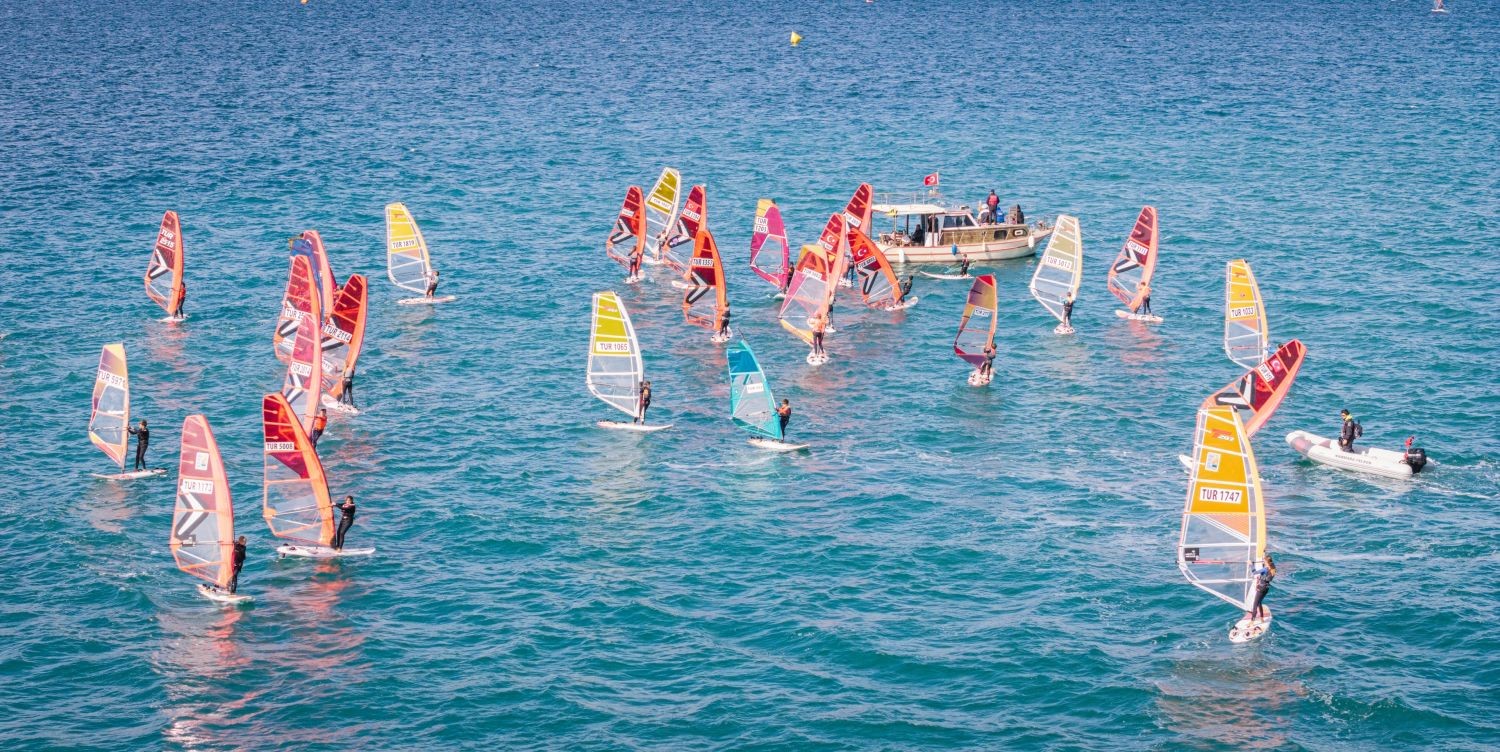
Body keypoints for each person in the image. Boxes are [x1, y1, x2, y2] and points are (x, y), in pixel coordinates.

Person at [1248, 554, 1276, 622]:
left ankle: (1252, 622)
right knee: (1259, 602)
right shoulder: (1273, 569)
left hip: (1261, 588)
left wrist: (1251, 565)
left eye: (1264, 561)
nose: (1263, 562)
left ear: (1266, 562)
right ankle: (1261, 618)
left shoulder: (1265, 569)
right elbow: (1266, 576)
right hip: (1266, 588)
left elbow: (1254, 572)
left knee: (1255, 604)